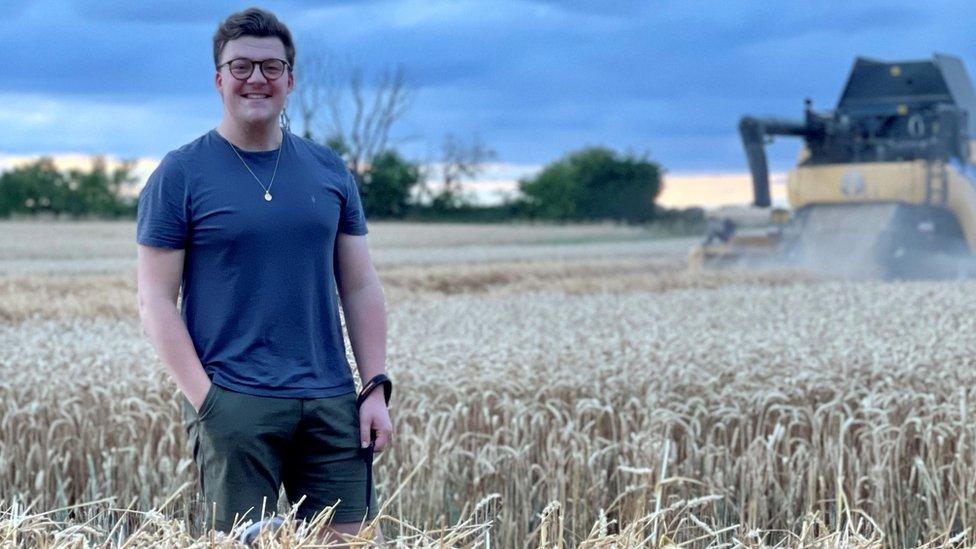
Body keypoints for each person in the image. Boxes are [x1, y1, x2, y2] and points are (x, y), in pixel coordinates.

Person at [135, 7, 392, 545]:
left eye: (272, 67)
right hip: (234, 400)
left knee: (345, 540)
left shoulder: (329, 170)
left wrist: (374, 389)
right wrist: (207, 401)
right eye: (242, 66)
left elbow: (361, 286)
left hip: (331, 401)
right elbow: (154, 299)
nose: (257, 79)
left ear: (291, 79)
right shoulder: (180, 173)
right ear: (219, 79)